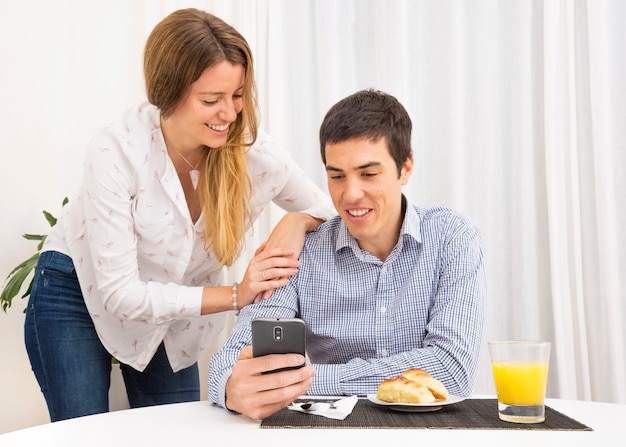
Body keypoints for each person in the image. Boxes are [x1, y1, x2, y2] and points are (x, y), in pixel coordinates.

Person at [23, 8, 335, 422]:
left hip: (173, 319)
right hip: (76, 290)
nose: (230, 114)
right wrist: (236, 295)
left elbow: (332, 213)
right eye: (211, 100)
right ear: (167, 93)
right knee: (83, 434)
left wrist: (296, 220)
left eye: (237, 95)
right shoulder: (115, 152)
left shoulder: (256, 156)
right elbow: (120, 293)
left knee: (176, 431)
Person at [208, 89, 486, 420]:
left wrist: (302, 380)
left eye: (369, 174)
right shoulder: (301, 252)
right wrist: (232, 389)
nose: (351, 194)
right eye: (336, 175)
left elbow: (451, 370)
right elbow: (226, 364)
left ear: (405, 167)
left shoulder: (452, 238)